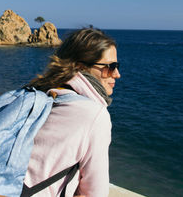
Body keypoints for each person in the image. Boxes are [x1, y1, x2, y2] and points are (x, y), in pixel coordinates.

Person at [24, 27, 121, 197]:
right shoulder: (94, 115)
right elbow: (94, 193)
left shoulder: (41, 92)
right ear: (81, 67)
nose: (117, 74)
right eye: (110, 67)